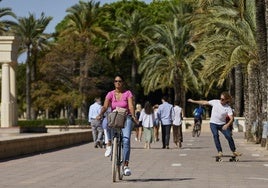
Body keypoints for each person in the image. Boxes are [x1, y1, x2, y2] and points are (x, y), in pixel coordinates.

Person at [96, 74, 137, 176]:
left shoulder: (128, 93)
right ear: (114, 83)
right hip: (114, 117)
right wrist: (100, 114)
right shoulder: (110, 94)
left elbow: (131, 105)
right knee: (106, 122)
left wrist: (133, 115)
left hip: (125, 117)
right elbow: (105, 106)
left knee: (126, 140)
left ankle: (126, 165)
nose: (117, 83)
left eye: (120, 81)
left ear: (123, 83)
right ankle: (109, 144)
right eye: (116, 81)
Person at [187, 91, 242, 157]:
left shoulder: (228, 108)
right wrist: (193, 101)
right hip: (213, 124)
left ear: (226, 100)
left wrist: (227, 125)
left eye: (222, 99)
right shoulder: (215, 102)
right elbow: (204, 102)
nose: (220, 100)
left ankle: (234, 151)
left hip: (222, 124)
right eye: (220, 98)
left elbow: (232, 118)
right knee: (216, 135)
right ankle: (220, 151)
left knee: (229, 136)